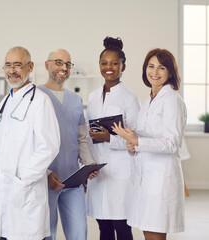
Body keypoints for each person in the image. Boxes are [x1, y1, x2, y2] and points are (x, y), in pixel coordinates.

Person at [0, 46, 60, 240]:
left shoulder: (40, 101)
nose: (12, 71)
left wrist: (22, 180)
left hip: (25, 193)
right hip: (3, 191)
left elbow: (49, 147)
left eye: (18, 65)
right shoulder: (5, 102)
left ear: (30, 66)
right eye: (8, 65)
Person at [112, 49, 187, 240]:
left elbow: (172, 143)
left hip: (162, 178)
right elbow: (149, 135)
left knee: (155, 233)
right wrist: (133, 142)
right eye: (151, 66)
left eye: (161, 67)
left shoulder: (171, 99)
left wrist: (138, 141)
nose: (155, 72)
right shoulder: (150, 99)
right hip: (147, 176)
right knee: (148, 231)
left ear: (170, 72)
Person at [38, 49, 97, 240]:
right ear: (47, 65)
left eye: (68, 64)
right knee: (48, 234)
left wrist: (89, 164)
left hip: (73, 180)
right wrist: (45, 173)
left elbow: (81, 138)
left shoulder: (76, 101)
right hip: (45, 180)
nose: (64, 67)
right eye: (58, 62)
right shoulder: (36, 97)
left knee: (79, 233)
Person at [85, 37, 140, 240]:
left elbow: (136, 141)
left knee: (122, 226)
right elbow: (87, 136)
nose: (109, 67)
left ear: (122, 66)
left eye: (114, 63)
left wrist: (110, 138)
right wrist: (88, 166)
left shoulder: (129, 99)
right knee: (103, 226)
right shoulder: (91, 97)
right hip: (99, 172)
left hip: (120, 173)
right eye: (104, 63)